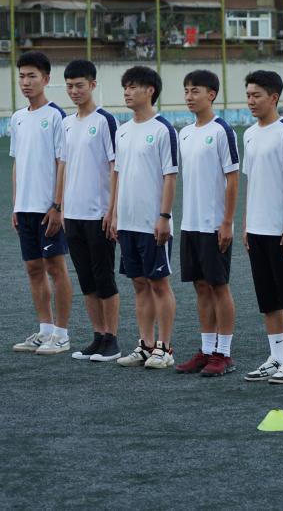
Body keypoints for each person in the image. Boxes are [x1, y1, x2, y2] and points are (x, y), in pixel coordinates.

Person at [240, 71, 283, 385]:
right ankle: (276, 357)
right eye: (248, 95)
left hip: (282, 230)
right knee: (267, 300)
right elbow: (252, 181)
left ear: (274, 97)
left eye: (257, 95)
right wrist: (246, 224)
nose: (251, 101)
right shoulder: (249, 134)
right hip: (257, 229)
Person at [109, 66, 179, 369]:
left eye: (133, 86)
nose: (127, 92)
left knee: (159, 283)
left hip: (153, 222)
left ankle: (165, 347)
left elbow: (170, 176)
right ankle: (145, 345)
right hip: (127, 222)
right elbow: (117, 174)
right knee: (138, 283)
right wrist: (114, 214)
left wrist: (164, 216)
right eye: (125, 87)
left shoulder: (163, 129)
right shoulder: (123, 130)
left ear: (150, 90)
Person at [173, 70, 240, 378]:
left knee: (218, 286)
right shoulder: (185, 133)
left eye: (195, 91)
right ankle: (206, 348)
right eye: (186, 91)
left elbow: (233, 179)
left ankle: (223, 353)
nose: (189, 96)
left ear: (211, 94)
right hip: (190, 223)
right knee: (200, 286)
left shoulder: (222, 130)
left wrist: (227, 222)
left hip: (214, 224)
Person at [9, 51, 74, 355]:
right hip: (25, 208)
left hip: (48, 208)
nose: (26, 82)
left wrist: (57, 205)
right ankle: (44, 330)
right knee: (33, 268)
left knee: (55, 268)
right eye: (22, 76)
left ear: (46, 79)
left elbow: (63, 163)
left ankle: (62, 334)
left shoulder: (56, 116)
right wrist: (15, 205)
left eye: (32, 76)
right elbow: (16, 163)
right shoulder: (18, 118)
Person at [62, 59, 122, 363]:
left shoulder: (105, 121)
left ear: (93, 85)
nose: (74, 91)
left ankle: (112, 339)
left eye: (79, 85)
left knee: (104, 278)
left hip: (99, 214)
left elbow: (115, 167)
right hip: (72, 214)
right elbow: (63, 165)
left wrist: (112, 210)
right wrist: (61, 206)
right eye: (69, 86)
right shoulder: (66, 123)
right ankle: (97, 336)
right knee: (86, 279)